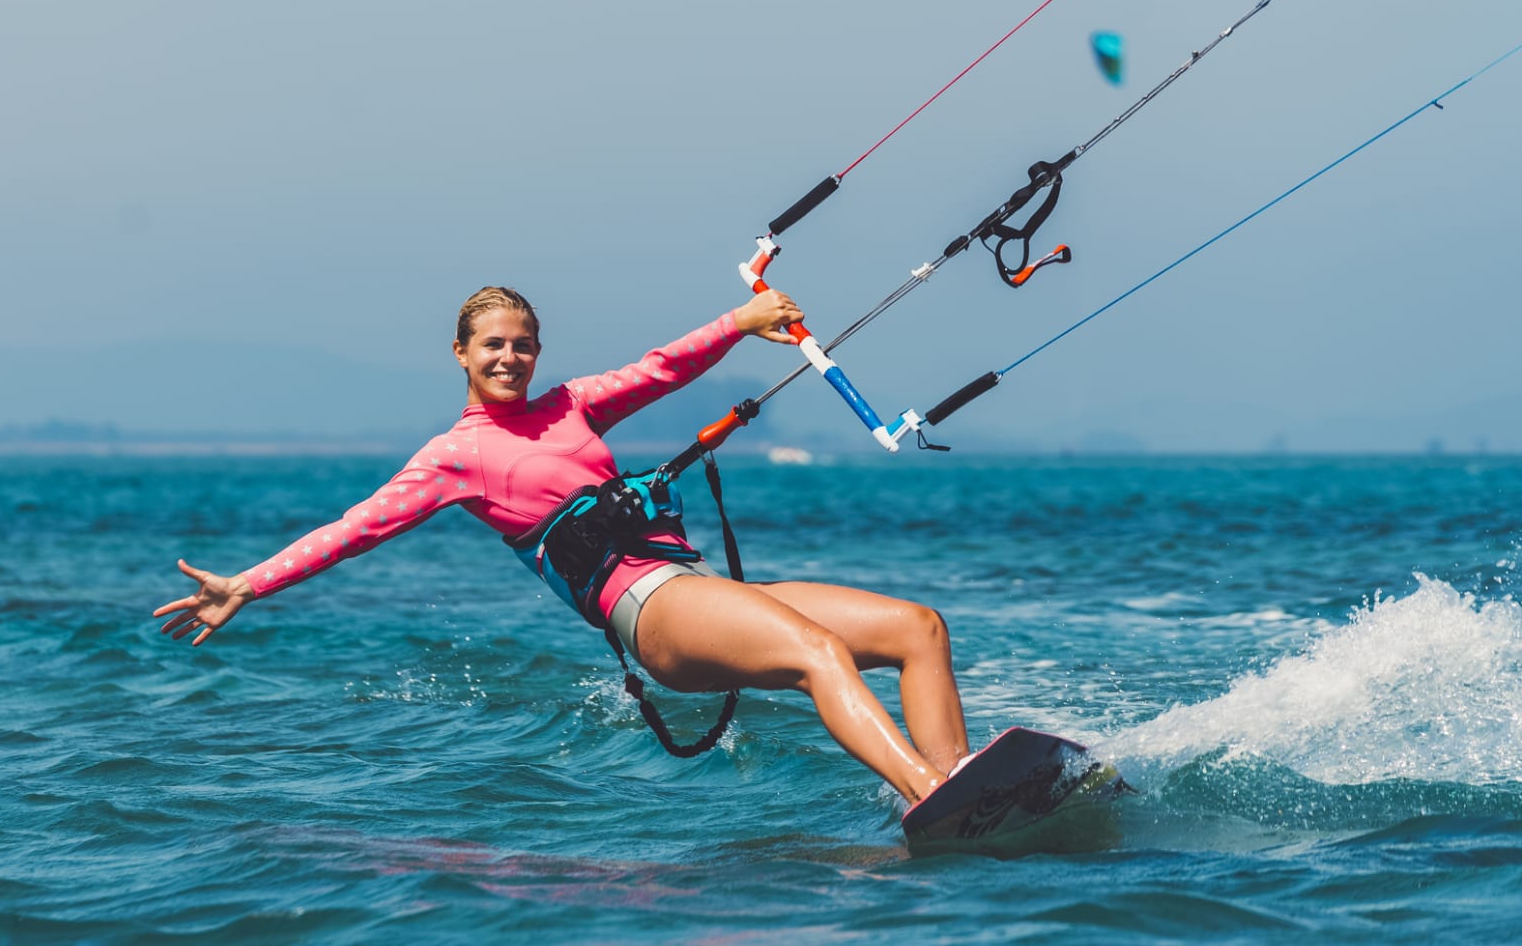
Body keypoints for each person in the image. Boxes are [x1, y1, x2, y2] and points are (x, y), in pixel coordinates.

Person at [156, 286, 970, 803]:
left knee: (917, 629)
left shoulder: (572, 406)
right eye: (493, 345)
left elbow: (661, 369)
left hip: (689, 583)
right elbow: (352, 529)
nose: (510, 358)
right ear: (461, 354)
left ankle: (966, 795)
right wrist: (248, 585)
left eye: (523, 344)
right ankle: (931, 794)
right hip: (648, 611)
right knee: (818, 651)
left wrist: (741, 321)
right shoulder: (455, 456)